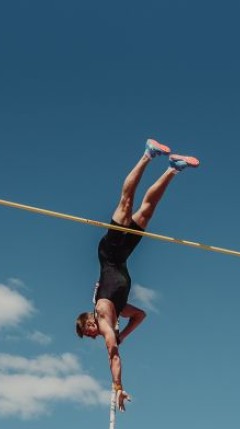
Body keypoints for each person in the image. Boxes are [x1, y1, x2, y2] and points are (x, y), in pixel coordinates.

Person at [76, 138, 199, 411]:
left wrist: (117, 386)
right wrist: (126, 333)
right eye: (91, 335)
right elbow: (141, 315)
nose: (94, 334)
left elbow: (113, 356)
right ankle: (173, 169)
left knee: (127, 202)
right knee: (147, 211)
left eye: (89, 331)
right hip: (124, 256)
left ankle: (147, 154)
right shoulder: (118, 311)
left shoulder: (103, 316)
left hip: (110, 253)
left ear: (90, 320)